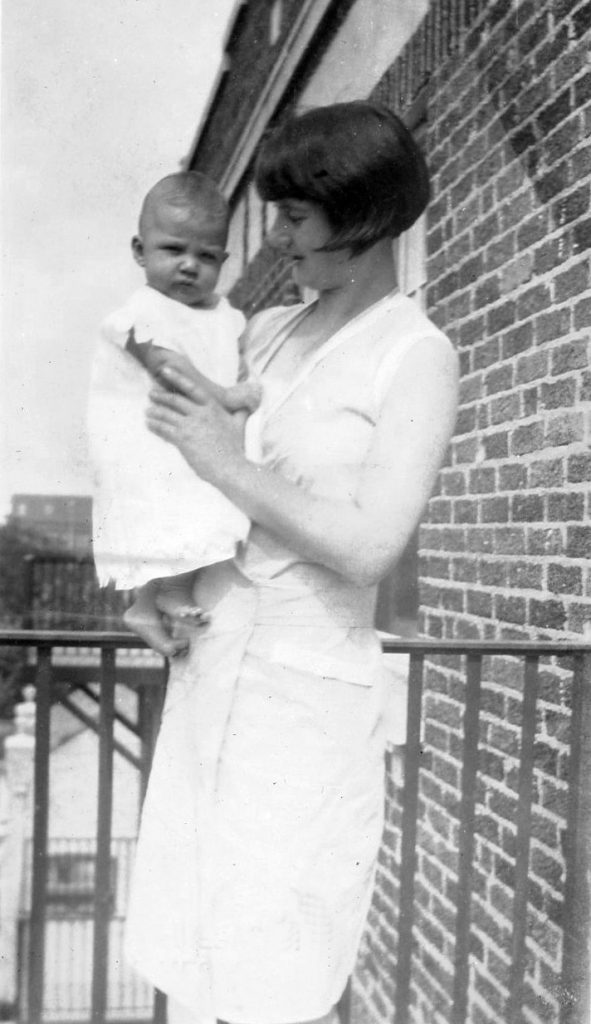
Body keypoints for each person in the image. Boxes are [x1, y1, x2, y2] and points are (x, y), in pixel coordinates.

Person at [124, 101, 459, 1024]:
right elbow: (195, 487)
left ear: (363, 219)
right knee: (191, 957)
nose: (275, 237)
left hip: (304, 708)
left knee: (271, 976)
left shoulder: (415, 354)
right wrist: (156, 584)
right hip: (211, 673)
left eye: (295, 216)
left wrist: (223, 460)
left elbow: (369, 545)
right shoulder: (265, 330)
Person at [88, 171, 260, 655]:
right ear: (140, 251)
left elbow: (230, 357)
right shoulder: (138, 314)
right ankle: (169, 595)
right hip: (144, 437)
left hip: (186, 433)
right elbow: (167, 366)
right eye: (173, 250)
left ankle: (148, 606)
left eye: (206, 257)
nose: (189, 266)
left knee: (203, 510)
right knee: (179, 512)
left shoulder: (225, 317)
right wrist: (226, 396)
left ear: (223, 261)